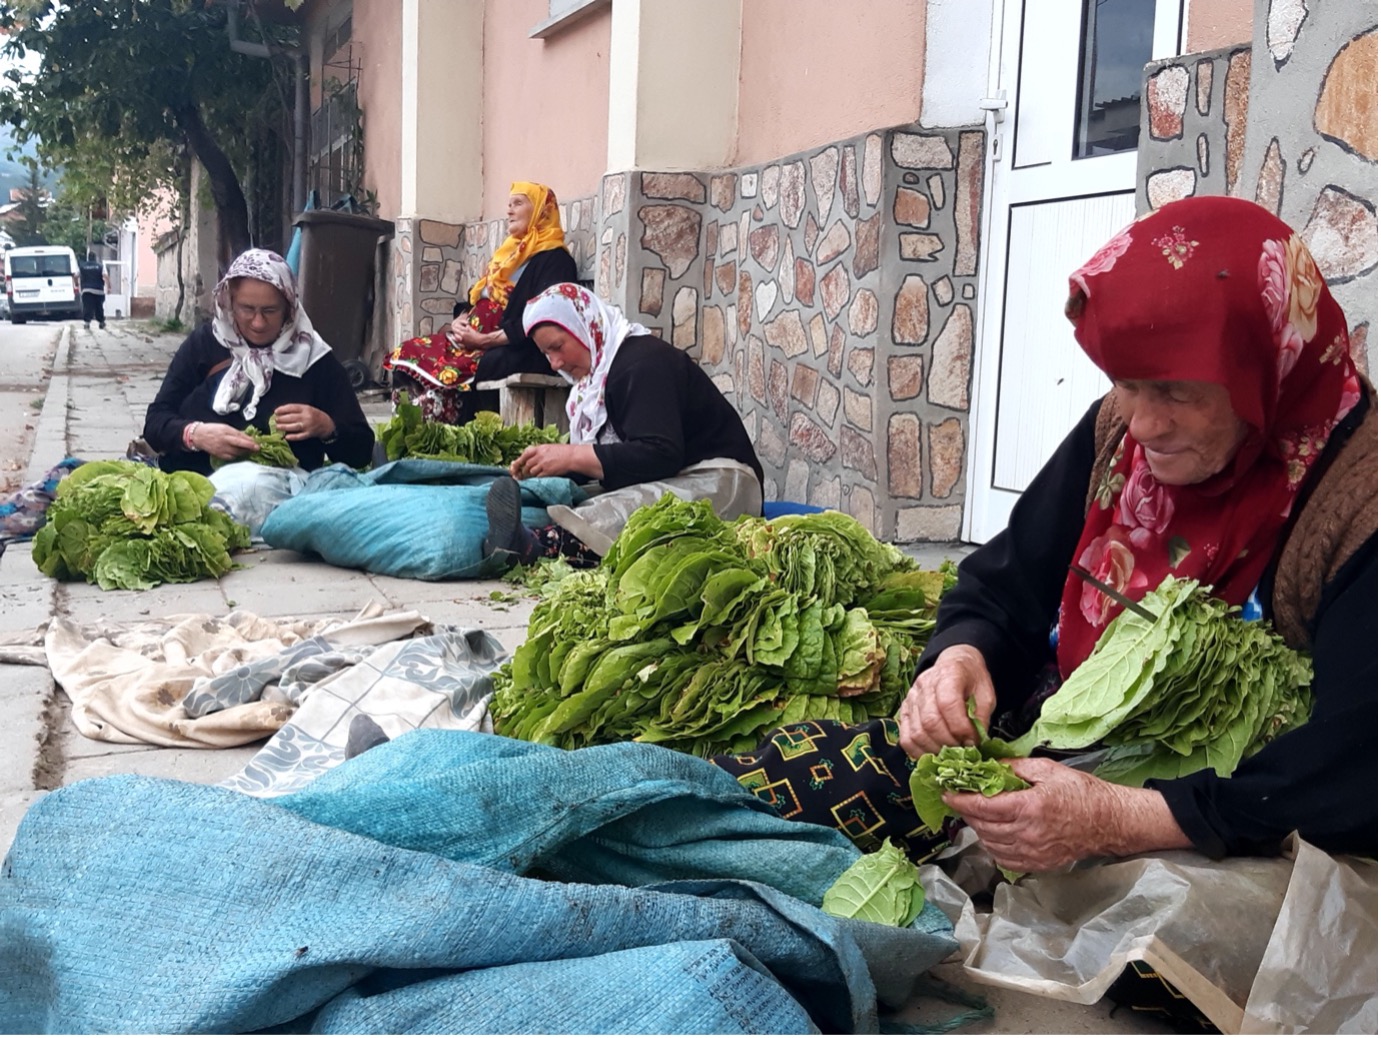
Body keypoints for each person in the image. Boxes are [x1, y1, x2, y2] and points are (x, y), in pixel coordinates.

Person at [719, 196, 1376, 870]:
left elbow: (1356, 771)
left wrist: (1120, 818)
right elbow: (1004, 589)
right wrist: (961, 658)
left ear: (1268, 370)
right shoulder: (1115, 431)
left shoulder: (1359, 502)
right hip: (1046, 764)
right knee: (763, 799)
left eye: (1176, 392)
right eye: (1125, 383)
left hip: (1232, 834)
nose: (1144, 426)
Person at [484, 282, 764, 565]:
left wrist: (571, 455)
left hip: (721, 482)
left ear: (584, 325)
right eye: (546, 353)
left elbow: (660, 454)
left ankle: (533, 547)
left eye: (557, 347)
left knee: (623, 511)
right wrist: (548, 469)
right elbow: (620, 461)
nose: (555, 363)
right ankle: (515, 537)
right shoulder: (593, 383)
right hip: (671, 474)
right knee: (572, 500)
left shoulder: (641, 363)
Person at [143, 248, 375, 475]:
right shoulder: (205, 344)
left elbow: (360, 453)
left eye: (270, 310)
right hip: (195, 491)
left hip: (283, 502)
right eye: (247, 309)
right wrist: (196, 435)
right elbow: (155, 422)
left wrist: (327, 427)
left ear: (289, 308)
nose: (258, 323)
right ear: (230, 302)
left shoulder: (314, 360)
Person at [384, 181, 577, 424]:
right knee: (407, 353)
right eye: (508, 204)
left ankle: (448, 426)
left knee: (470, 367)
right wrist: (460, 321)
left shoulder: (555, 261)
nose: (509, 210)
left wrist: (485, 340)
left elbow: (544, 320)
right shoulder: (509, 254)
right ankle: (408, 426)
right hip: (472, 341)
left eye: (518, 203)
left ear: (541, 211)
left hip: (516, 347)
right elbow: (476, 299)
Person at [78, 251, 106, 330]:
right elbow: (105, 276)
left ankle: (87, 323)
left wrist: (76, 283)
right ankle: (101, 322)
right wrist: (109, 286)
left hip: (86, 290)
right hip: (99, 290)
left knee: (87, 307)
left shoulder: (82, 266)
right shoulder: (100, 266)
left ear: (88, 258)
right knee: (99, 307)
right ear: (95, 258)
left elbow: (76, 275)